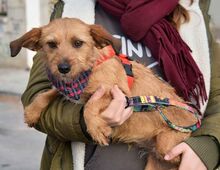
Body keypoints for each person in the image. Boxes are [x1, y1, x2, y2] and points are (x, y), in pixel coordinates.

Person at [21, 0, 220, 170]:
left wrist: (206, 148)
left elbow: (217, 99)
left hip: (166, 139)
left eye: (77, 44)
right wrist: (82, 120)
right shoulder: (71, 12)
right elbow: (37, 92)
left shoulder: (193, 14)